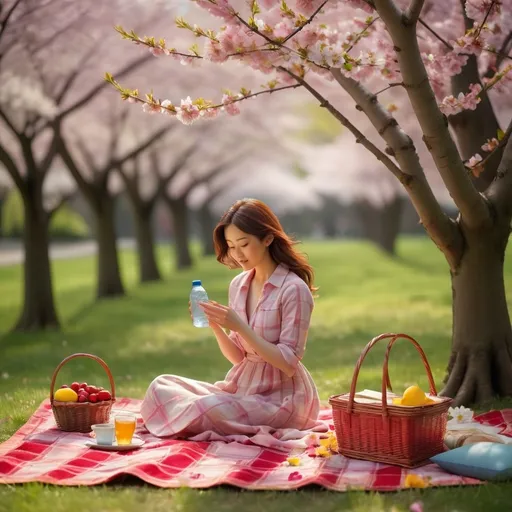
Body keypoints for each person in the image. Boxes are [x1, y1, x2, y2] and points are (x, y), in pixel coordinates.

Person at [140, 198, 327, 448]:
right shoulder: (238, 285)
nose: (237, 254)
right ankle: (209, 412)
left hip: (283, 398)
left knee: (206, 407)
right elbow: (239, 358)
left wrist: (240, 326)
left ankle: (199, 416)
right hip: (243, 388)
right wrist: (216, 324)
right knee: (161, 385)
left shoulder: (294, 289)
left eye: (244, 244)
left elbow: (288, 363)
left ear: (268, 239)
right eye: (231, 246)